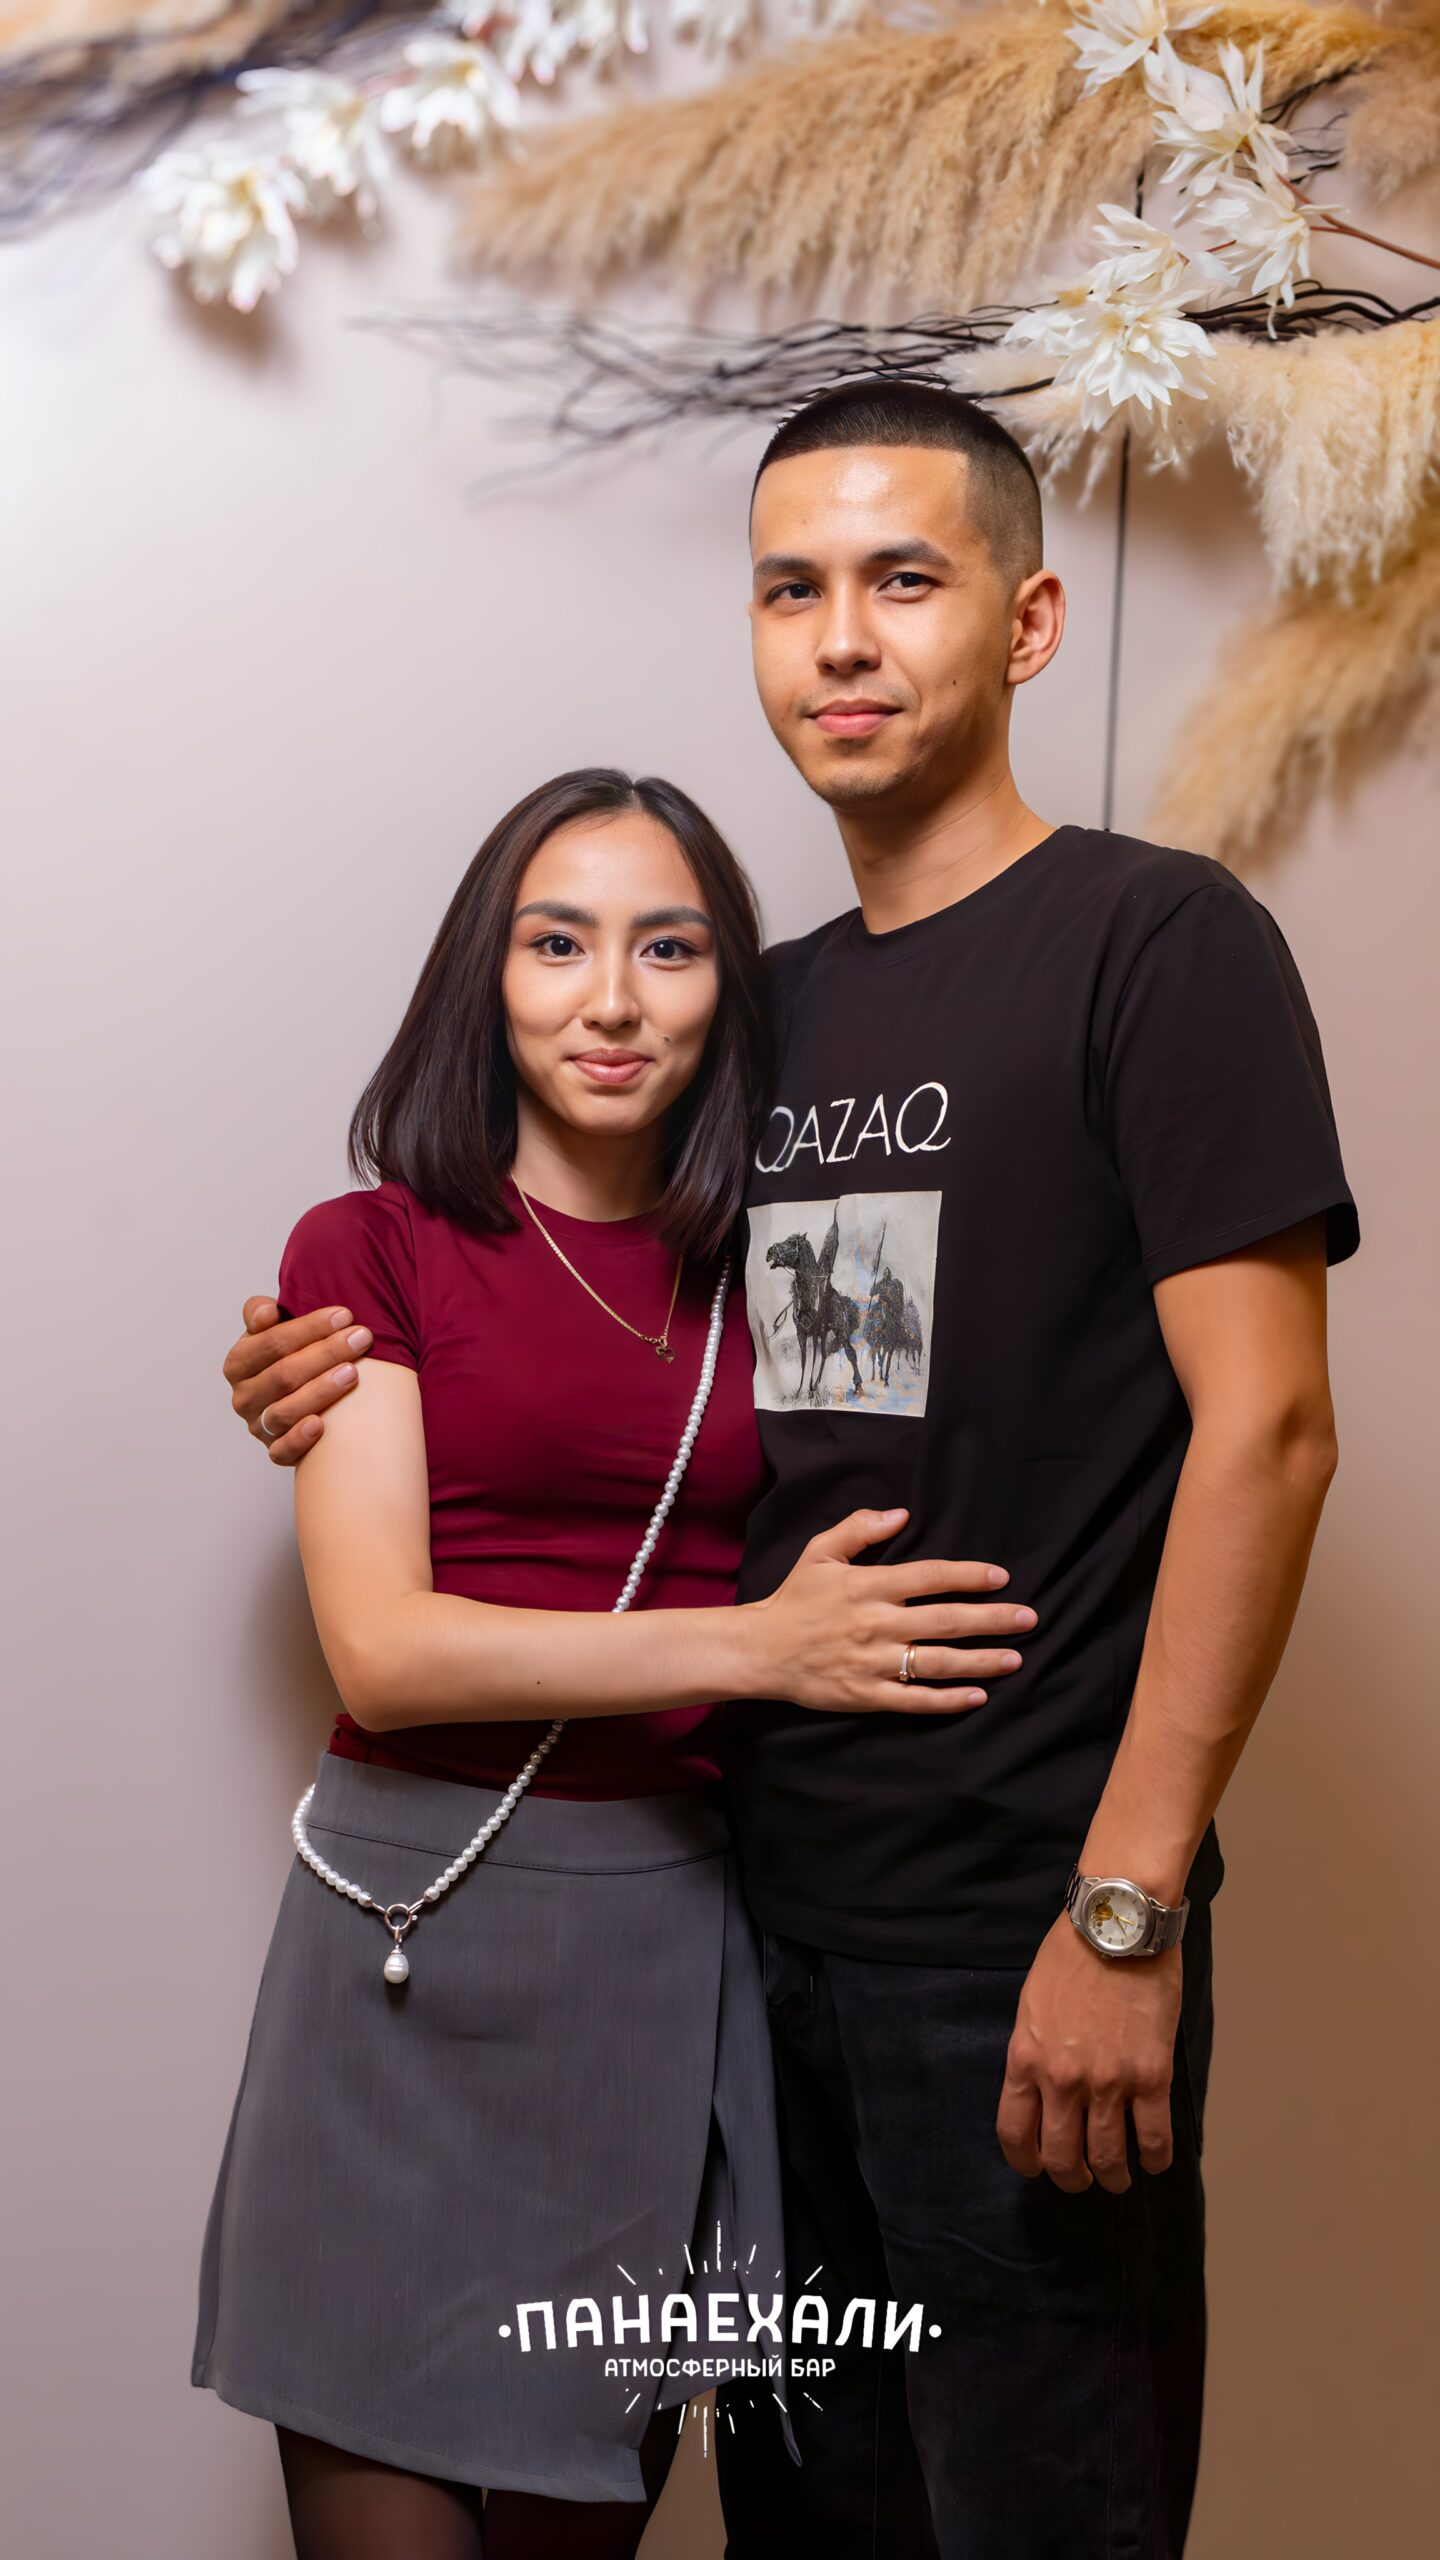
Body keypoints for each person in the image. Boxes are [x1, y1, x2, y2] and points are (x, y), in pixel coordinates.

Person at [221, 384, 1360, 2559]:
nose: (842, 637)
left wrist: (1124, 1908)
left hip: (1018, 1940)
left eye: (904, 580)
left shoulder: (1157, 938)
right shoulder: (759, 1018)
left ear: (1028, 624)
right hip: (753, 1957)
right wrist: (308, 1362)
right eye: (792, 589)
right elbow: (578, 1320)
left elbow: (1275, 1428)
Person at [194, 762, 1031, 2560]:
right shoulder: (369, 1245)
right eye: (557, 943)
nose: (612, 999)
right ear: (485, 977)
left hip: (662, 1956)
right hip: (406, 1939)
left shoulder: (784, 1270)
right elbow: (385, 1652)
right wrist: (762, 1646)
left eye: (669, 948)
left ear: (728, 989)